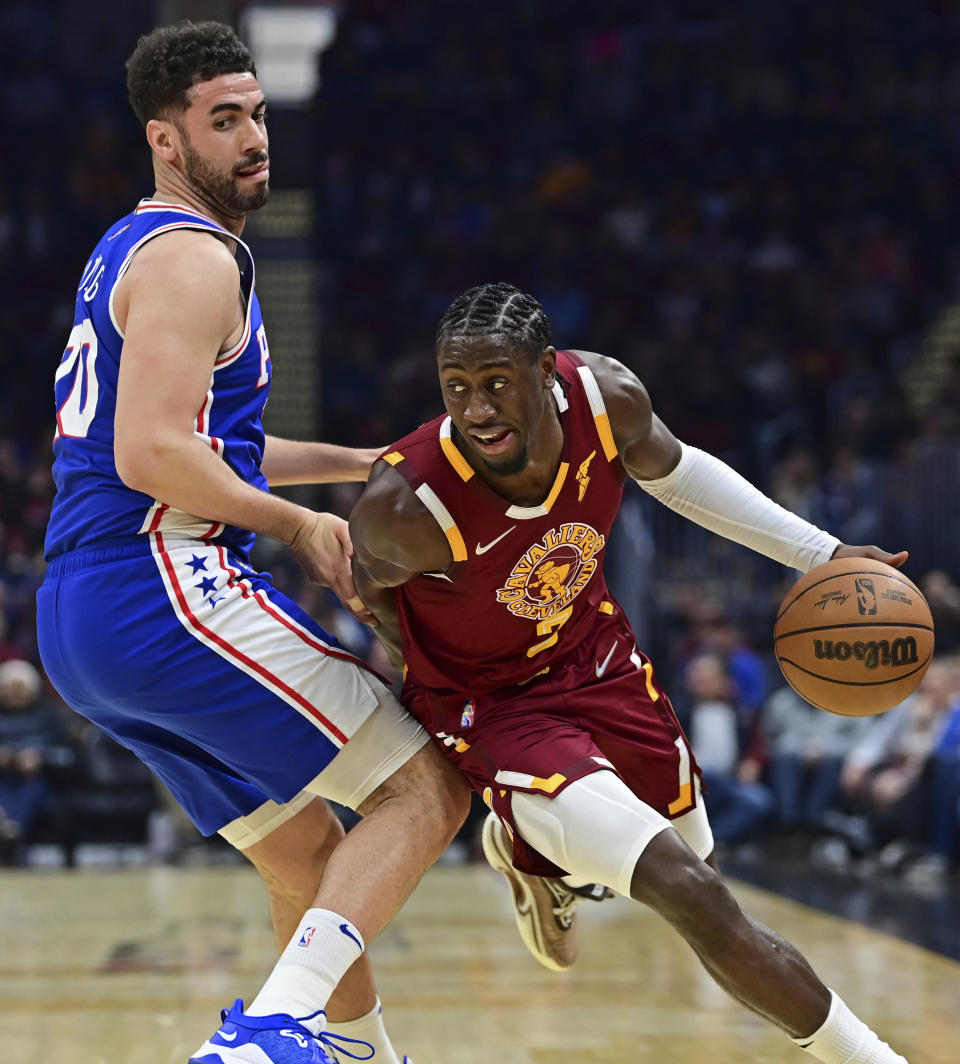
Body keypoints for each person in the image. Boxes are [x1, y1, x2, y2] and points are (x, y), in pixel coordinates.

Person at [35, 21, 469, 1064]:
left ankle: (356, 1052)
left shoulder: (133, 245)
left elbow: (210, 443)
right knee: (429, 780)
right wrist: (300, 524)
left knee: (305, 850)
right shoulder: (195, 261)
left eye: (258, 113)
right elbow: (150, 453)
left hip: (85, 620)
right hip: (161, 588)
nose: (253, 138)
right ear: (166, 140)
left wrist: (352, 461)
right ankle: (276, 1027)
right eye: (222, 121)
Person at [349, 281, 914, 1063]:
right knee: (691, 892)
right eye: (457, 388)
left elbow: (679, 475)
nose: (476, 410)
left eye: (497, 384)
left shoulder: (606, 398)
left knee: (703, 871)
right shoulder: (408, 504)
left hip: (595, 658)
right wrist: (421, 676)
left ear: (546, 370)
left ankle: (533, 854)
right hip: (496, 704)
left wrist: (822, 554)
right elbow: (368, 582)